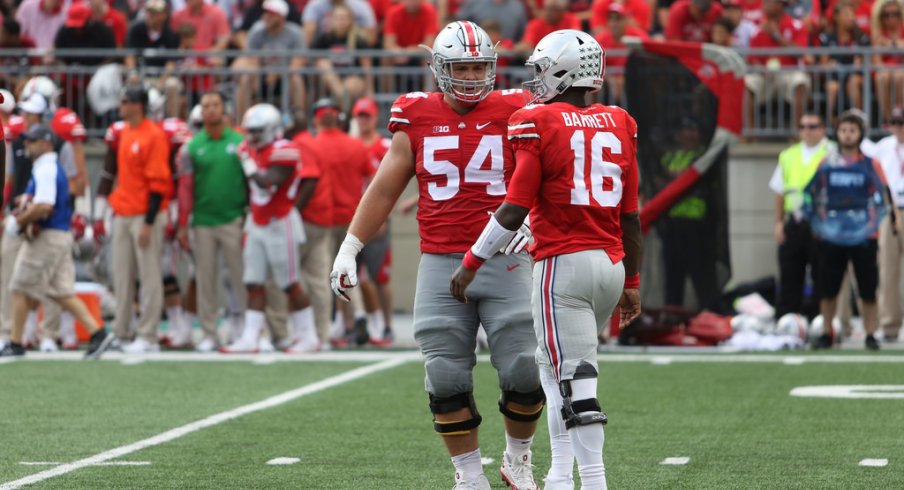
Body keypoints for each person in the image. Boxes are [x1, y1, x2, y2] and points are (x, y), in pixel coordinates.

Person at [330, 21, 544, 490]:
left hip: (506, 258)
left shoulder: (519, 108)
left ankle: (518, 458)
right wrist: (351, 246)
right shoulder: (416, 115)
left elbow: (551, 173)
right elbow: (386, 185)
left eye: (478, 67)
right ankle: (469, 475)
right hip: (442, 260)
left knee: (525, 368)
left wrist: (536, 218)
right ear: (438, 69)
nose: (470, 76)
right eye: (461, 67)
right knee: (444, 377)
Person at [449, 29, 642, 490]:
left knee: (575, 380)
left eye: (541, 70)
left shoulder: (537, 120)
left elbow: (515, 206)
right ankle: (557, 474)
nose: (535, 81)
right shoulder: (620, 121)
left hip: (562, 266)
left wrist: (472, 260)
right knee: (555, 373)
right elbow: (630, 215)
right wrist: (632, 280)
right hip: (610, 264)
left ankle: (593, 481)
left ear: (561, 70)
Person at [0, 124, 113, 359]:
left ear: (47, 143)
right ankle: (98, 333)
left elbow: (44, 205)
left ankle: (15, 342)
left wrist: (17, 222)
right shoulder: (49, 167)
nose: (27, 145)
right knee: (61, 292)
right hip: (59, 235)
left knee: (18, 287)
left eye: (32, 141)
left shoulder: (46, 168)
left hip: (48, 236)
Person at [221, 103, 320, 354]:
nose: (251, 136)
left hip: (280, 222)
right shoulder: (252, 150)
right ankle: (250, 338)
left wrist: (246, 161)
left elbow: (266, 183)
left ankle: (309, 337)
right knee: (253, 282)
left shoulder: (283, 150)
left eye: (256, 130)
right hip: (257, 220)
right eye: (249, 131)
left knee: (289, 283)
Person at [805, 111, 896, 350]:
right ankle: (827, 331)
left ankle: (870, 333)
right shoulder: (826, 163)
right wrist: (819, 225)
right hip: (832, 234)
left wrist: (875, 225)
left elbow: (883, 196)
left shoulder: (871, 164)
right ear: (837, 133)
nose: (847, 135)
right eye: (843, 130)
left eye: (852, 130)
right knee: (828, 287)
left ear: (860, 134)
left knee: (867, 287)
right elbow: (813, 196)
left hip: (864, 236)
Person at [177, 91, 248, 352]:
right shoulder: (192, 147)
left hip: (233, 218)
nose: (210, 110)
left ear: (224, 108)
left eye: (215, 105)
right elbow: (185, 188)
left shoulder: (240, 142)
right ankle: (209, 332)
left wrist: (247, 216)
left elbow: (250, 182)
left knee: (240, 277)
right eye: (206, 106)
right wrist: (183, 224)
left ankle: (243, 328)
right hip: (204, 220)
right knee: (205, 279)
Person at [105, 85, 173, 353]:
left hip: (145, 214)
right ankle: (121, 331)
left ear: (138, 105)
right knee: (122, 276)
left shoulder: (154, 136)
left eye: (125, 101)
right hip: (124, 212)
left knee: (149, 276)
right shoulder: (125, 132)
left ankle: (148, 335)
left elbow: (159, 183)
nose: (120, 105)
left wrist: (148, 221)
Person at [769, 112, 834, 318]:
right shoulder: (789, 155)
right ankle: (787, 319)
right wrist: (778, 223)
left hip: (821, 223)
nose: (807, 130)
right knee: (790, 273)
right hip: (795, 220)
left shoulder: (832, 152)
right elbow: (779, 191)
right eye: (803, 126)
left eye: (812, 126)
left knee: (821, 275)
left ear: (822, 129)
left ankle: (819, 321)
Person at [351, 96, 394, 345]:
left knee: (380, 275)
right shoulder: (352, 145)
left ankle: (386, 325)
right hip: (353, 217)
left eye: (366, 116)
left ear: (375, 116)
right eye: (359, 116)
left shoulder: (384, 145)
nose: (363, 121)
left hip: (376, 217)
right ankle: (356, 324)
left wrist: (383, 217)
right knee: (352, 274)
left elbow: (391, 185)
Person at [871, 107, 904, 342]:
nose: (899, 127)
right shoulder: (882, 147)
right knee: (888, 268)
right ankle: (890, 324)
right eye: (894, 122)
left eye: (902, 122)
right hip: (890, 210)